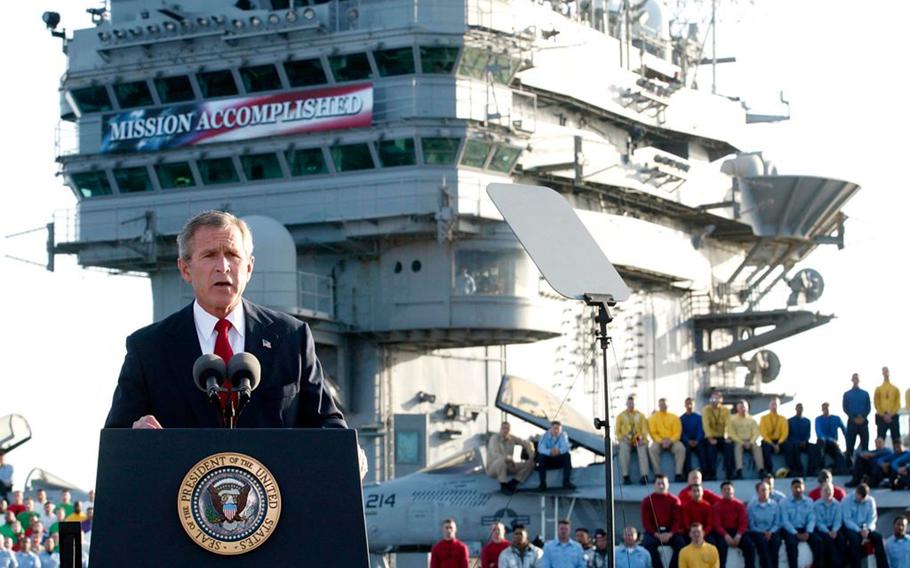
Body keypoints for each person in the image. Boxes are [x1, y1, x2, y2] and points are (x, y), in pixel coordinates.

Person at [104, 210, 347, 431]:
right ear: (185, 269)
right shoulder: (149, 348)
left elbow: (329, 425)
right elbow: (117, 440)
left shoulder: (291, 338)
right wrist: (135, 434)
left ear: (249, 268)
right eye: (209, 255)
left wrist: (347, 452)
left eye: (232, 255)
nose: (223, 267)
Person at [640, 474, 685, 568]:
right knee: (648, 544)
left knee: (681, 544)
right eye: (658, 483)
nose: (661, 486)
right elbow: (646, 522)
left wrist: (670, 533)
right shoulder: (647, 501)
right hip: (654, 532)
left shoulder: (674, 500)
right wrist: (657, 534)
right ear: (654, 485)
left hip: (671, 532)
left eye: (663, 484)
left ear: (668, 485)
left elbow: (677, 520)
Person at [841, 483, 888, 568]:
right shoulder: (846, 500)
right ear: (856, 493)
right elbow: (847, 520)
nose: (861, 500)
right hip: (852, 528)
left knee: (878, 538)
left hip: (866, 528)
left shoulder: (870, 501)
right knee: (854, 540)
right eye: (860, 498)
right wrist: (859, 530)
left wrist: (867, 529)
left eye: (864, 499)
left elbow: (873, 518)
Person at [778, 477, 820, 568]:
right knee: (791, 544)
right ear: (791, 488)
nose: (798, 489)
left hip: (805, 528)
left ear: (803, 487)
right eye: (795, 487)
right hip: (790, 529)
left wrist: (808, 532)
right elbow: (785, 521)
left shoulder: (809, 501)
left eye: (800, 487)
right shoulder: (784, 502)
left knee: (818, 541)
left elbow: (811, 518)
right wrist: (796, 533)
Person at [711, 480, 754, 568]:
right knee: (720, 548)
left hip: (737, 531)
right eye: (725, 489)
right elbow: (717, 524)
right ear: (721, 492)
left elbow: (743, 522)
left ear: (733, 490)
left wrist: (738, 535)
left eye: (729, 489)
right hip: (723, 533)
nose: (727, 491)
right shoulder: (716, 506)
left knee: (749, 546)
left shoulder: (740, 505)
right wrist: (726, 536)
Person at [487, 421, 536, 493]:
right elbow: (495, 454)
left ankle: (513, 482)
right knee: (501, 461)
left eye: (507, 429)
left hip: (509, 465)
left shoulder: (511, 438)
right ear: (500, 429)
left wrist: (531, 454)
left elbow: (526, 443)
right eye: (504, 428)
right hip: (494, 468)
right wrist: (507, 458)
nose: (505, 430)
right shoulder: (494, 439)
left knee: (531, 463)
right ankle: (503, 485)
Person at [649, 398, 687, 482]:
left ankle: (678, 474)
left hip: (672, 441)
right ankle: (657, 474)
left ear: (668, 405)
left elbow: (677, 432)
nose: (663, 406)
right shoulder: (653, 418)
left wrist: (670, 441)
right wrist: (661, 441)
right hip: (659, 442)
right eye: (661, 404)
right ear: (658, 405)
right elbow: (653, 432)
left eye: (665, 404)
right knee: (652, 449)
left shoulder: (674, 417)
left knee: (681, 448)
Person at [746, 481, 782, 568]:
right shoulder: (751, 506)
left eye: (767, 490)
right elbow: (751, 525)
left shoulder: (775, 505)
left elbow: (777, 522)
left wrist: (770, 531)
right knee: (762, 544)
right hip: (757, 532)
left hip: (772, 531)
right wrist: (763, 532)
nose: (765, 492)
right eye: (762, 490)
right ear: (757, 492)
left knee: (776, 543)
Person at [616, 396, 650, 485]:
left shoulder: (641, 416)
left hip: (638, 439)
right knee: (623, 450)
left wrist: (641, 438)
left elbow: (644, 430)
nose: (631, 405)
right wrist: (622, 438)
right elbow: (617, 431)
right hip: (626, 439)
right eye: (629, 403)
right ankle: (625, 476)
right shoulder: (620, 416)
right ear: (626, 404)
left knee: (642, 450)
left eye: (632, 403)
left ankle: (644, 476)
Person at [728, 400, 764, 479]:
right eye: (741, 407)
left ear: (747, 408)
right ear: (737, 408)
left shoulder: (752, 420)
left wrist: (750, 442)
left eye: (744, 407)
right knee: (737, 448)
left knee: (757, 447)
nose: (743, 408)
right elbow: (731, 433)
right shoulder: (732, 419)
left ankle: (761, 470)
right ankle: (739, 471)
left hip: (750, 441)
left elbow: (756, 432)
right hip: (739, 441)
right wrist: (742, 442)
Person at [813, 482, 845, 568]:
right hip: (822, 529)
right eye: (825, 490)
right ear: (821, 492)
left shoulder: (838, 505)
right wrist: (828, 532)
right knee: (828, 541)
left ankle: (841, 563)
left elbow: (838, 520)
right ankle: (835, 564)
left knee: (841, 539)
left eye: (830, 490)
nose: (828, 492)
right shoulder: (816, 505)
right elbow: (818, 522)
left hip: (834, 528)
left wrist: (834, 530)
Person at [536, 421, 575, 491]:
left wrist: (558, 451)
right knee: (541, 457)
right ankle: (542, 484)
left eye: (558, 429)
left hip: (558, 459)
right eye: (555, 428)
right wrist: (550, 452)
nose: (556, 431)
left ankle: (566, 482)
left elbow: (566, 447)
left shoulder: (563, 435)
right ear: (550, 428)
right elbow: (540, 448)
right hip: (548, 461)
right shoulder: (544, 436)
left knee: (567, 455)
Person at [701, 392, 731, 481]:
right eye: (712, 399)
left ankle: (729, 472)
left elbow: (728, 424)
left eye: (716, 399)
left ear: (721, 400)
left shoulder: (725, 410)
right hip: (710, 436)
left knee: (729, 447)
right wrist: (710, 438)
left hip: (722, 436)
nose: (714, 401)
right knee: (710, 449)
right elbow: (705, 424)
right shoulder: (706, 409)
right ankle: (711, 473)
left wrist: (728, 436)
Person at [843, 373, 872, 463]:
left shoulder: (865, 393)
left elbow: (868, 407)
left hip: (863, 422)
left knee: (865, 446)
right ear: (852, 380)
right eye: (854, 378)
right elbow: (845, 407)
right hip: (852, 422)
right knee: (850, 446)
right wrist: (853, 418)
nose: (855, 380)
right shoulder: (847, 394)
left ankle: (865, 467)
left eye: (857, 378)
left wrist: (863, 417)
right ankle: (848, 467)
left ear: (859, 380)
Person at [759, 397, 788, 476]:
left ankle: (790, 468)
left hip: (779, 441)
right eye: (772, 404)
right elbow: (763, 433)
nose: (774, 406)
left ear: (779, 405)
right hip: (769, 441)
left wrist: (778, 443)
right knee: (765, 445)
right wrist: (772, 444)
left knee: (789, 446)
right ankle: (769, 470)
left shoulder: (783, 418)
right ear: (769, 406)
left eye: (776, 404)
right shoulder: (763, 418)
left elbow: (785, 433)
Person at [815, 402, 848, 473]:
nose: (825, 409)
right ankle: (820, 469)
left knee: (839, 455)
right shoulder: (818, 419)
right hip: (823, 443)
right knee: (820, 444)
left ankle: (842, 470)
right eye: (824, 408)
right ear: (822, 409)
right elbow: (818, 432)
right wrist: (827, 439)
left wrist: (849, 443)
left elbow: (845, 431)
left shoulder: (836, 418)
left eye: (827, 408)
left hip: (833, 443)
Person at [680, 398, 707, 477]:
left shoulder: (699, 417)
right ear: (685, 405)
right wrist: (687, 441)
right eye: (687, 404)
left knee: (702, 451)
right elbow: (682, 432)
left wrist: (697, 440)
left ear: (694, 405)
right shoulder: (681, 418)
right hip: (687, 442)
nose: (689, 406)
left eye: (691, 404)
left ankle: (705, 472)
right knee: (686, 451)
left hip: (697, 441)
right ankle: (687, 473)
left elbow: (701, 430)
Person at [874, 366, 901, 443]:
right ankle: (880, 454)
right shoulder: (878, 389)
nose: (885, 373)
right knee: (880, 439)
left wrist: (891, 414)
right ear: (882, 373)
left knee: (896, 439)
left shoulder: (895, 389)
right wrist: (883, 414)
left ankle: (898, 454)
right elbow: (876, 403)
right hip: (881, 417)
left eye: (887, 371)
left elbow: (898, 404)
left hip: (893, 416)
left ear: (889, 372)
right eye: (884, 371)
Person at [784, 403, 813, 477]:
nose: (800, 409)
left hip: (804, 443)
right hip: (793, 443)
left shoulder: (807, 421)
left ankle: (811, 470)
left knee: (814, 448)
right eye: (798, 408)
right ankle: (796, 469)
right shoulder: (790, 421)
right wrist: (796, 442)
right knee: (793, 447)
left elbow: (808, 434)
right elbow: (788, 435)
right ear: (796, 409)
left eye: (801, 408)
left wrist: (805, 441)